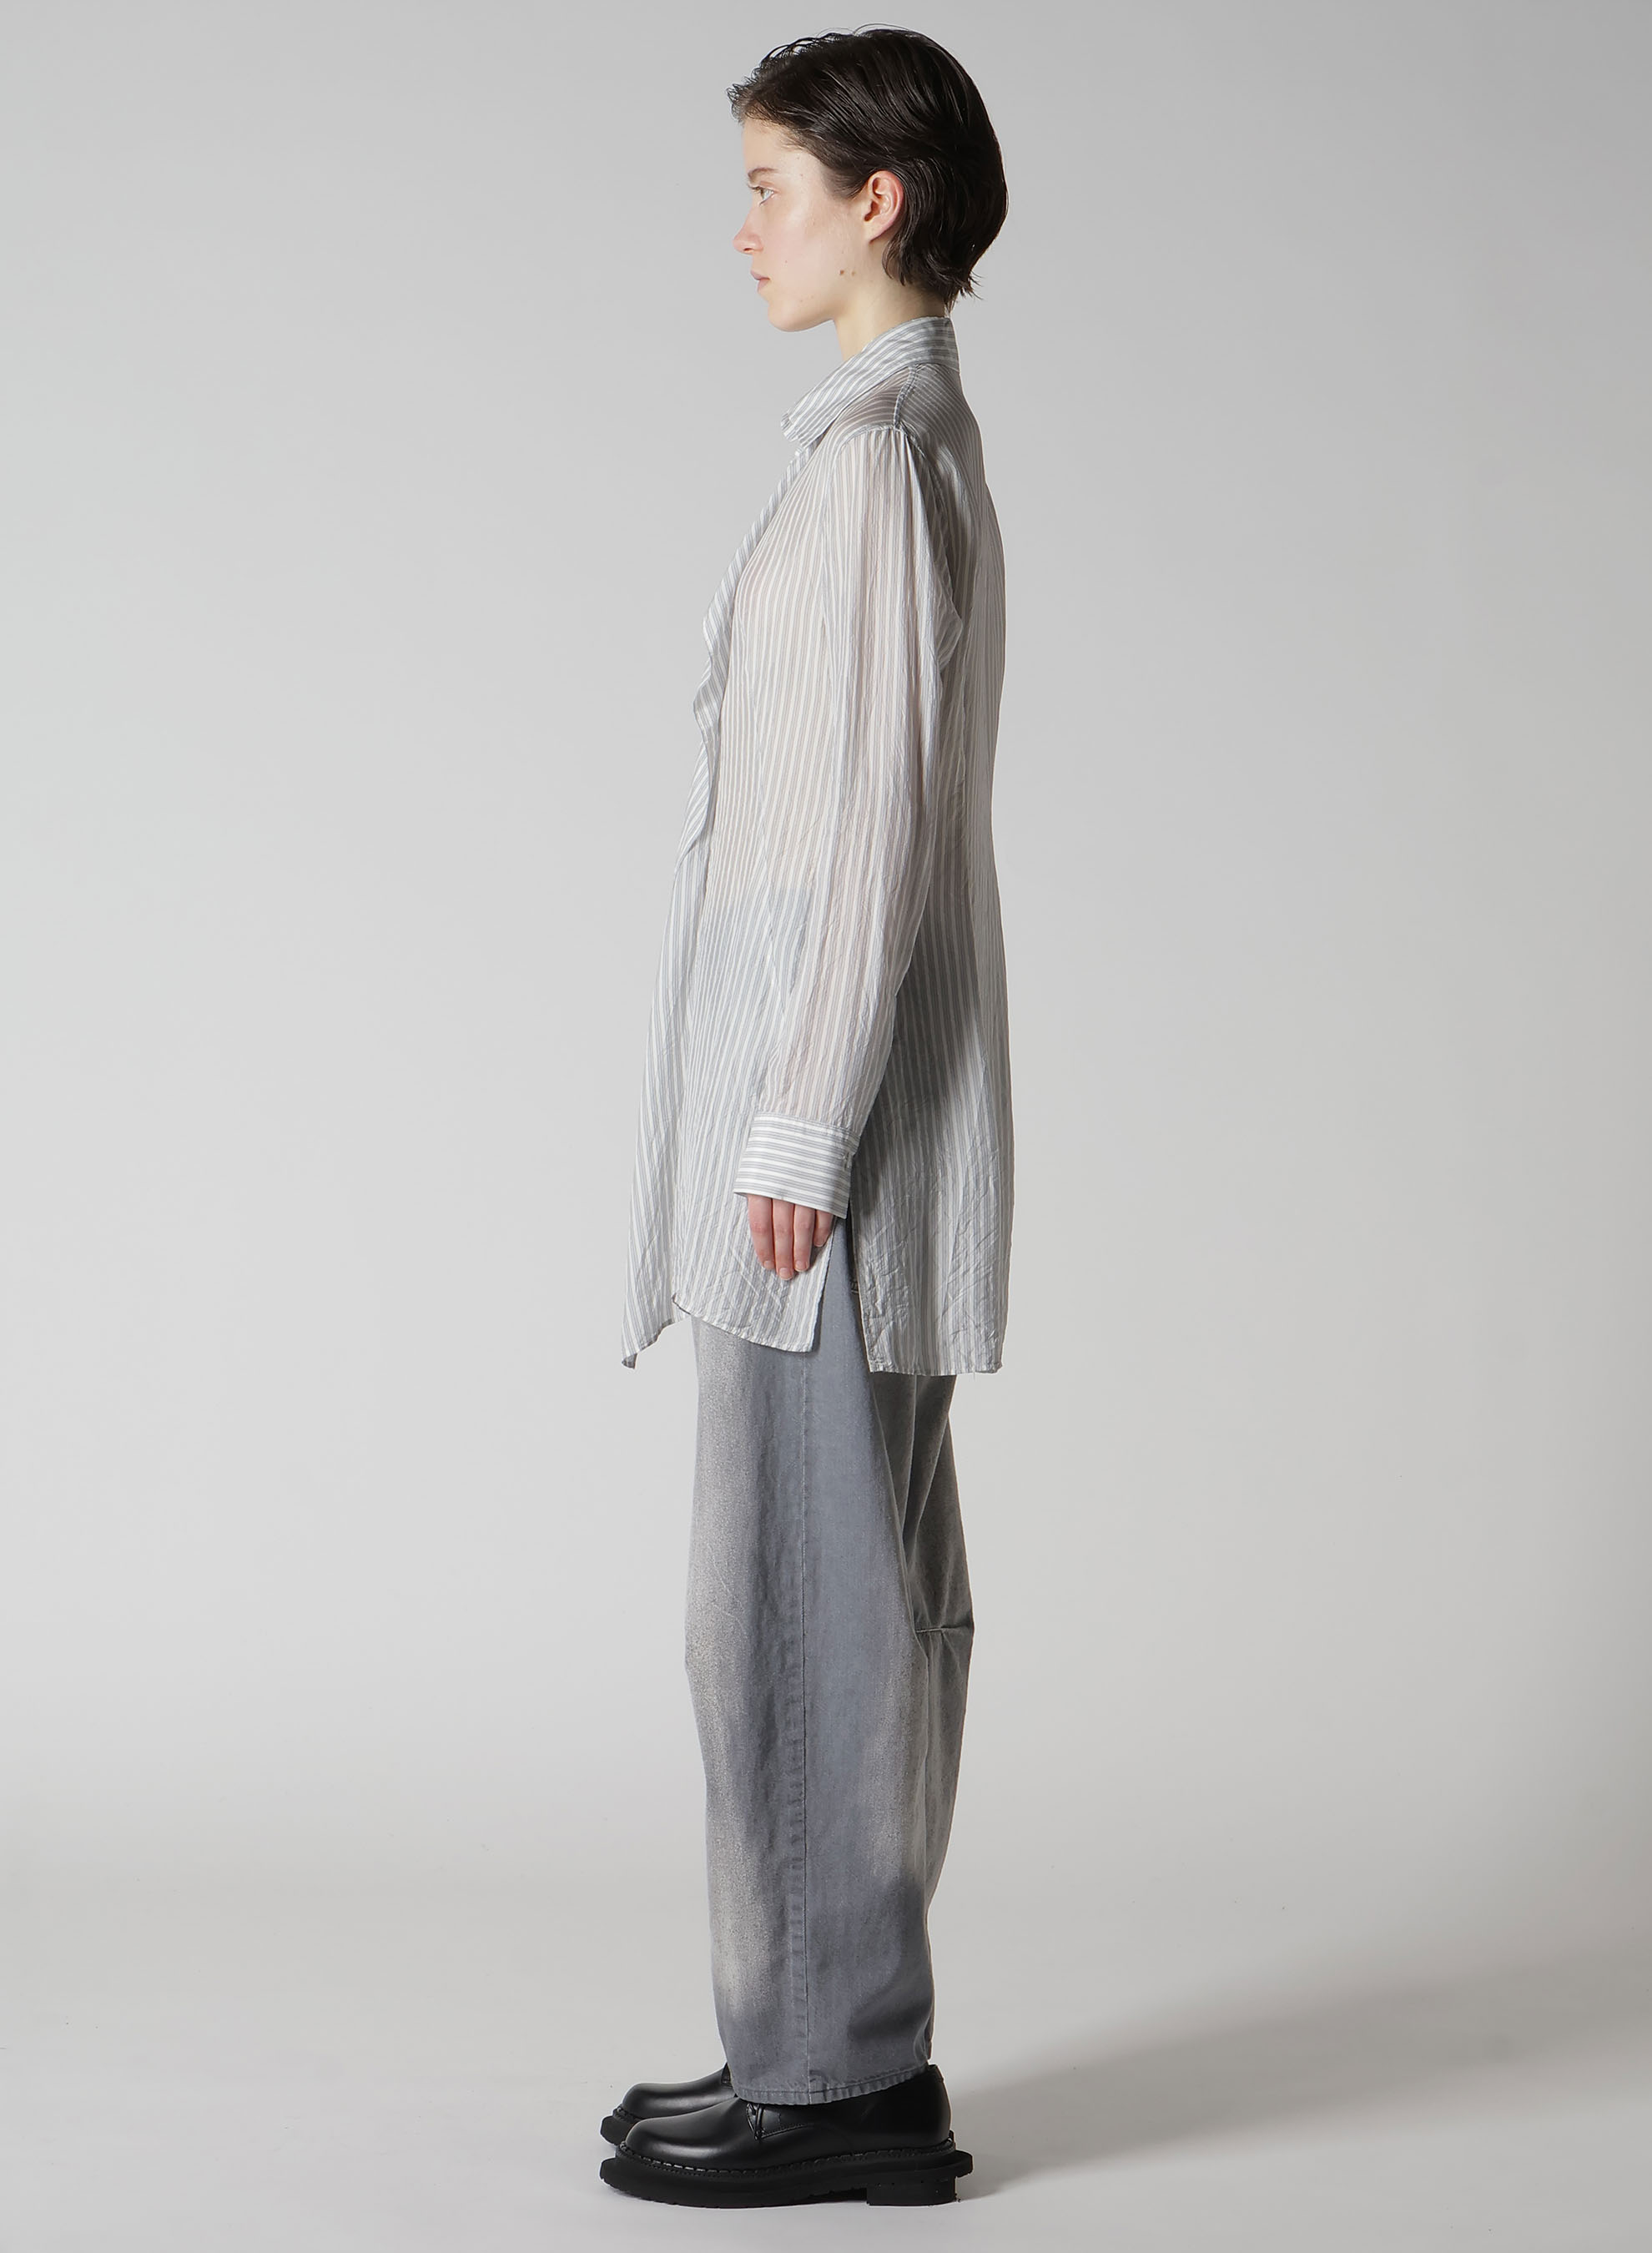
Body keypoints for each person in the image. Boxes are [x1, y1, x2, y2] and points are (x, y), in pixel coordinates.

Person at [602, 27, 1013, 2210]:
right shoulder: (890, 445)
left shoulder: (876, 466)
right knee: (814, 1591)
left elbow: (870, 838)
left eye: (773, 183)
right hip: (820, 1118)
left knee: (805, 1605)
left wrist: (791, 1131)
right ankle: (805, 2037)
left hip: (818, 1140)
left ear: (879, 198)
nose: (744, 225)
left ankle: (840, 2078)